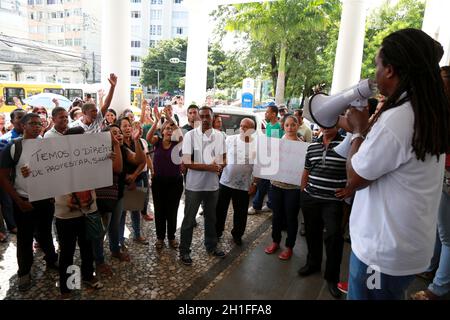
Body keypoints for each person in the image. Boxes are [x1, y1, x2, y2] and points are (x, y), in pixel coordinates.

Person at [337, 29, 449, 300]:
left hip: (380, 254)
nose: (374, 73)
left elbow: (355, 177)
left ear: (389, 70)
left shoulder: (398, 119)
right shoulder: (425, 109)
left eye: (377, 65)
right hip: (403, 246)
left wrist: (357, 131)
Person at [0, 113, 58, 291]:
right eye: (32, 123)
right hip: (24, 201)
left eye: (39, 124)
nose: (37, 126)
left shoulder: (48, 146)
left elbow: (55, 170)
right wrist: (18, 201)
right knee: (25, 239)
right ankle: (24, 272)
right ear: (23, 125)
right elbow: (3, 177)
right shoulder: (13, 147)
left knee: (46, 233)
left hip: (45, 201)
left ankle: (51, 260)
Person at [410, 65, 450, 300]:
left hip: (445, 175)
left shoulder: (441, 112)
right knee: (440, 228)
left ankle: (439, 288)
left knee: (446, 235)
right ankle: (430, 266)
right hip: (440, 174)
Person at [297, 125, 347, 298]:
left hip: (333, 202)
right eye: (323, 123)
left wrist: (350, 189)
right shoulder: (312, 146)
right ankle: (313, 264)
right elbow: (306, 170)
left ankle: (332, 278)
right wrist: (303, 192)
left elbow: (355, 170)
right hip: (311, 198)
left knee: (334, 237)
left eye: (330, 123)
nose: (326, 127)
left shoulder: (346, 144)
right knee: (312, 233)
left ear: (338, 124)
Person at [179, 106, 226, 265]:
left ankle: (211, 246)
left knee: (211, 219)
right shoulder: (190, 136)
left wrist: (221, 165)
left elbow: (224, 158)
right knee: (189, 220)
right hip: (194, 186)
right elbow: (186, 162)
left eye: (208, 116)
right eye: (202, 116)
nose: (205, 119)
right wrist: (209, 167)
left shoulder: (220, 136)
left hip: (212, 186)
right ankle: (184, 251)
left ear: (213, 118)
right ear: (198, 118)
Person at [264, 115, 303, 261]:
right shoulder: (277, 143)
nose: (290, 128)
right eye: (287, 125)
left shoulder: (302, 146)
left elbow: (303, 168)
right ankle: (275, 241)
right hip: (276, 185)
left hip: (293, 188)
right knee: (277, 216)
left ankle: (289, 247)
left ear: (298, 125)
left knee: (291, 217)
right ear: (283, 127)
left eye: (293, 125)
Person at [215, 118, 256, 246]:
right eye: (241, 126)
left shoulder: (256, 145)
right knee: (220, 209)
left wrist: (254, 184)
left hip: (243, 185)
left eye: (246, 127)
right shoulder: (230, 139)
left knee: (241, 212)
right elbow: (221, 155)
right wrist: (219, 165)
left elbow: (259, 167)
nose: (242, 129)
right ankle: (217, 232)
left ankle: (237, 234)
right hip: (225, 182)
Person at [147, 111, 184, 249]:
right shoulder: (157, 142)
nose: (169, 130)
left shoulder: (177, 143)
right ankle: (160, 238)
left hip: (175, 183)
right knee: (159, 211)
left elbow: (180, 133)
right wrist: (156, 121)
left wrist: (169, 118)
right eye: (167, 128)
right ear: (162, 131)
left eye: (171, 128)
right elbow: (148, 136)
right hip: (158, 182)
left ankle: (172, 237)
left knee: (172, 211)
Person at [118, 117, 148, 246]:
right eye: (124, 126)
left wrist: (134, 175)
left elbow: (143, 161)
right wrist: (127, 177)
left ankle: (137, 235)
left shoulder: (138, 142)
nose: (127, 128)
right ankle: (120, 240)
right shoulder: (118, 144)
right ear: (119, 129)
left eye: (129, 125)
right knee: (121, 213)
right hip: (122, 182)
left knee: (135, 210)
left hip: (137, 179)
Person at [248, 104, 283, 215]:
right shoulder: (268, 125)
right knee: (266, 183)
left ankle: (257, 205)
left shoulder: (278, 126)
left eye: (267, 112)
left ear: (273, 114)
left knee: (264, 183)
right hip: (267, 158)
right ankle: (269, 204)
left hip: (275, 160)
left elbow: (276, 144)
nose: (265, 114)